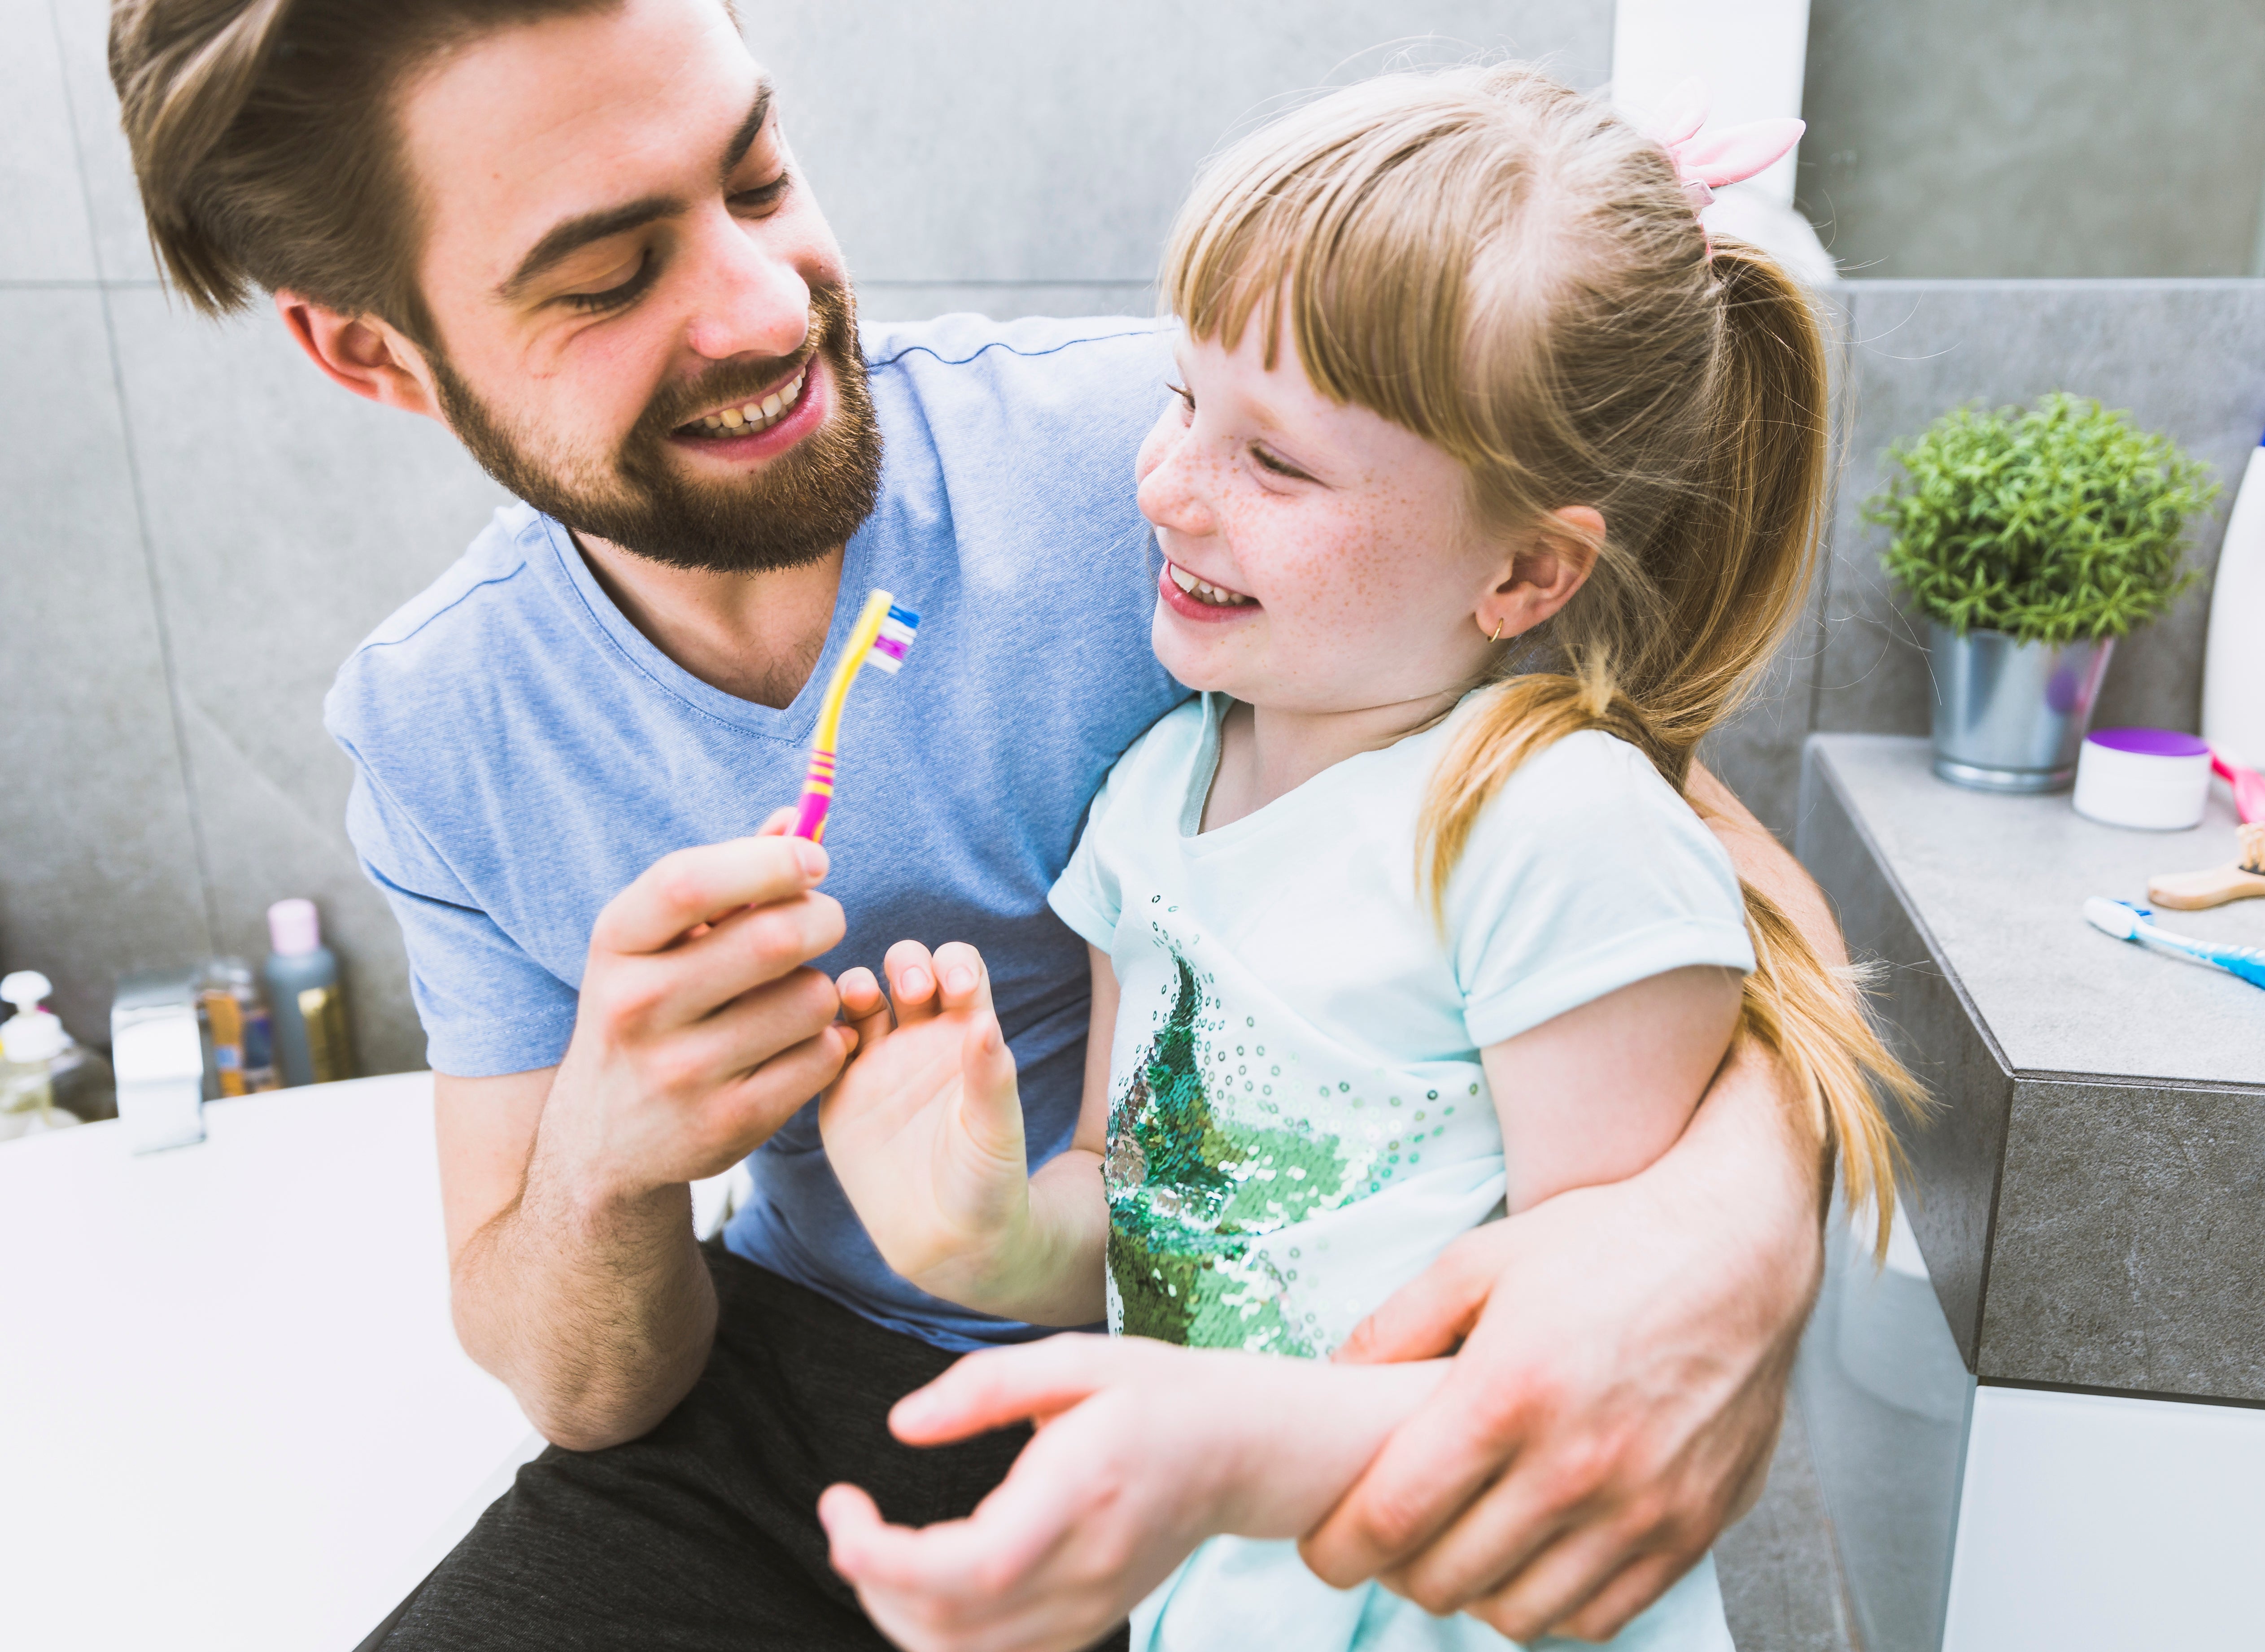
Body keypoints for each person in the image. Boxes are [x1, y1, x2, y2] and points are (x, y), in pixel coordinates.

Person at [109, 2, 1855, 1646]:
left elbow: (1691, 861)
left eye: (758, 176)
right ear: (373, 353)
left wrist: (1719, 1251)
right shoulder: (443, 724)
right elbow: (579, 1385)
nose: (763, 307)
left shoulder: (1172, 469)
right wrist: (610, 1150)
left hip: (1275, 1436)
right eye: (609, 275)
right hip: (812, 1401)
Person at [805, 64, 1916, 1652]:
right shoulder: (1153, 801)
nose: (1166, 482)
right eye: (1185, 398)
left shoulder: (1547, 832)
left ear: (1526, 569)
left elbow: (1584, 1383)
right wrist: (972, 1227)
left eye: (1279, 462)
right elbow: (1142, 1221)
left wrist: (1217, 1458)